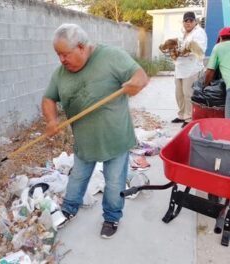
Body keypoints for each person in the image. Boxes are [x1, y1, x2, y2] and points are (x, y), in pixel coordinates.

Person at [41, 23, 149, 238]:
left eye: (65, 54)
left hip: (115, 138)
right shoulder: (61, 74)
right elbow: (48, 98)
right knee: (78, 178)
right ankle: (69, 208)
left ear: (81, 47)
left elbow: (140, 76)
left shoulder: (111, 57)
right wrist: (51, 120)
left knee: (114, 182)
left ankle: (111, 217)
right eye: (58, 55)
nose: (61, 60)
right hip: (84, 140)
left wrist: (136, 82)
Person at [172, 11, 207, 128]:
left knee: (188, 94)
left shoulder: (199, 33)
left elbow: (200, 50)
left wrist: (188, 49)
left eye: (190, 20)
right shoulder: (181, 33)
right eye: (186, 20)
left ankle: (189, 118)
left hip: (191, 69)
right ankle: (181, 115)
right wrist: (174, 50)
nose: (188, 23)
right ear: (183, 22)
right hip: (179, 68)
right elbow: (177, 46)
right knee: (179, 94)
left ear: (195, 22)